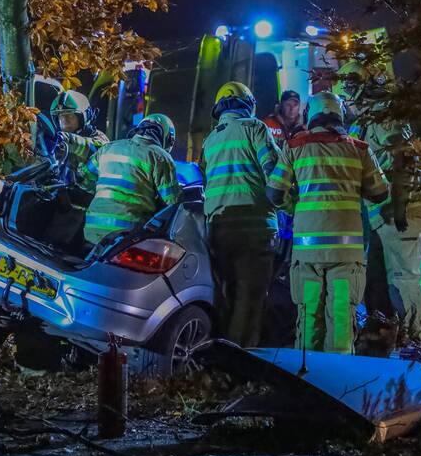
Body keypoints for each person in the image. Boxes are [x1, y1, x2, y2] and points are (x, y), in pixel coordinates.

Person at [266, 92, 390, 353]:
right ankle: (339, 381)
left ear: (311, 115)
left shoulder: (295, 146)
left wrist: (296, 205)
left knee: (310, 315)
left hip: (307, 252)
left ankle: (308, 381)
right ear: (339, 114)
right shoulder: (360, 149)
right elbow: (381, 193)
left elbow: (274, 193)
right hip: (347, 252)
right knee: (342, 317)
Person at [340, 61, 421, 335]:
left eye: (350, 86)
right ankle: (408, 338)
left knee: (406, 282)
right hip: (385, 215)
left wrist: (398, 204)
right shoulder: (372, 118)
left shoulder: (383, 118)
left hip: (397, 213)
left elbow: (402, 158)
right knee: (391, 283)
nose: (346, 94)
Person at [199, 82, 280, 347]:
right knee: (250, 298)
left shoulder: (210, 140)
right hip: (253, 227)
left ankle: (216, 353)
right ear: (248, 104)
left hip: (218, 228)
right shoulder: (255, 128)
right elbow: (275, 173)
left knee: (226, 294)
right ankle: (240, 362)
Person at [78, 113, 180, 245]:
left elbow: (84, 180)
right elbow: (173, 202)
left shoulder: (107, 148)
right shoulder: (161, 157)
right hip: (126, 237)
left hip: (91, 231)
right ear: (168, 138)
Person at [49, 90, 109, 173]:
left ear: (84, 117)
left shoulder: (99, 138)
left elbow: (98, 150)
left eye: (70, 115)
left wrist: (67, 139)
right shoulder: (59, 143)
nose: (64, 120)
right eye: (61, 115)